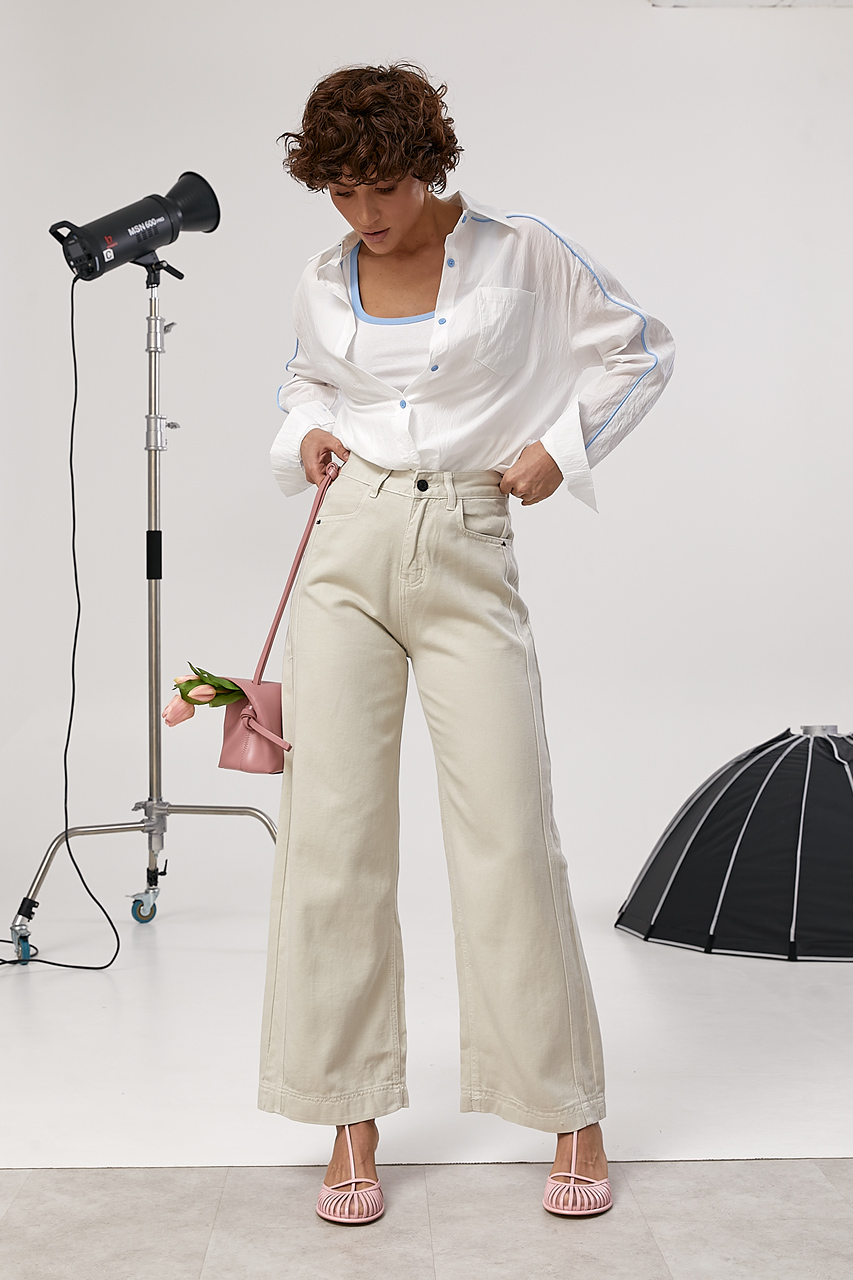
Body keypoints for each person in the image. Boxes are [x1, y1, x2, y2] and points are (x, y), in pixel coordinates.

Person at [260, 62, 675, 1224]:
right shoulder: (321, 275)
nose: (364, 213)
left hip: (466, 537)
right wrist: (307, 434)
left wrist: (561, 448)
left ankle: (568, 1106)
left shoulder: (522, 251)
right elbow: (305, 378)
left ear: (428, 166)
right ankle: (348, 1115)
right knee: (333, 841)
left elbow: (641, 348)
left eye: (383, 188)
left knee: (507, 835)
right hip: (346, 546)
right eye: (342, 192)